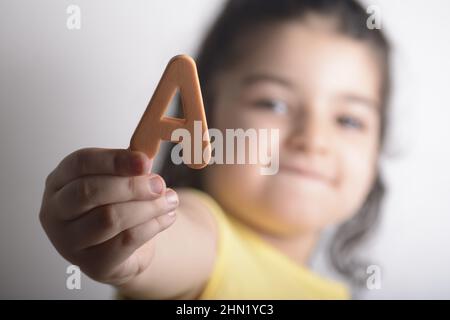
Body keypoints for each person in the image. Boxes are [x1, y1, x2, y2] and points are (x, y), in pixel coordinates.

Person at [39, 0, 391, 299]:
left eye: (348, 120)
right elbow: (166, 248)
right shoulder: (203, 236)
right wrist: (134, 247)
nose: (313, 140)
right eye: (273, 104)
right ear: (206, 113)